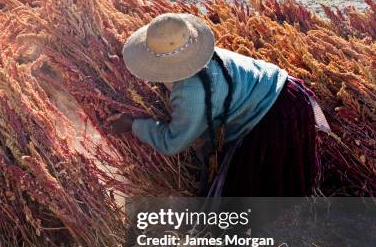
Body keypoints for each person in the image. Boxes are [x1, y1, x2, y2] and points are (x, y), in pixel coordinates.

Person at [109, 13, 327, 197]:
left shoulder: (190, 92)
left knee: (253, 193)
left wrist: (133, 124)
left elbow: (173, 142)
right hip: (289, 92)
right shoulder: (202, 58)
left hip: (276, 116)